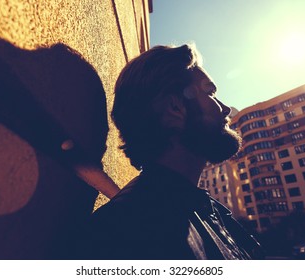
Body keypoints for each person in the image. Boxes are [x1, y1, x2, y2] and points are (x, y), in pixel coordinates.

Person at [84, 44, 263, 259]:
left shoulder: (201, 208)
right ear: (174, 109)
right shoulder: (129, 231)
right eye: (210, 92)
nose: (226, 109)